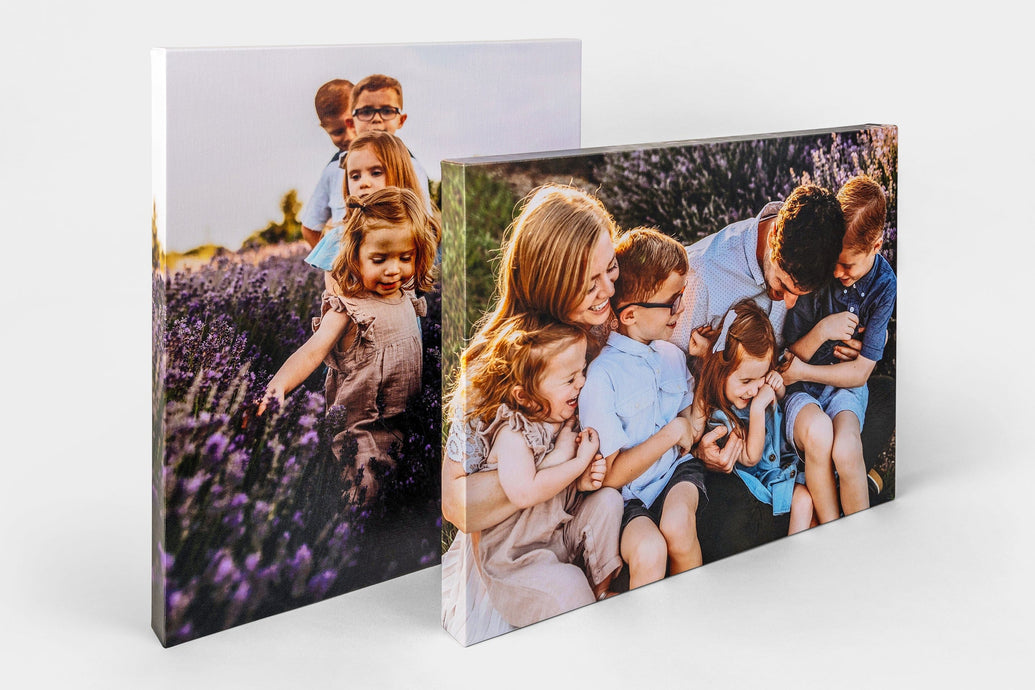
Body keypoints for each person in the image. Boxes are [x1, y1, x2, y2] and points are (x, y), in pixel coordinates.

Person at [441, 185, 623, 645]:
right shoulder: (495, 370)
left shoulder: (603, 328)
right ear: (551, 284)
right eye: (590, 282)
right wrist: (557, 467)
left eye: (612, 268)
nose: (608, 292)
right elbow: (454, 503)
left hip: (568, 522)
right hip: (514, 556)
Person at [668, 184, 846, 561]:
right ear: (774, 238)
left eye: (802, 292)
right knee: (733, 527)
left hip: (773, 428)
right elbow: (670, 378)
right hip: (718, 438)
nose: (791, 302)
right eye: (783, 286)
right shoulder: (704, 276)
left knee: (881, 400)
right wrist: (700, 447)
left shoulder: (807, 251)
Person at [260, 187, 439, 502]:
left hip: (406, 418)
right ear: (355, 256)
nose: (393, 269)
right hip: (363, 430)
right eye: (379, 259)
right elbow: (313, 350)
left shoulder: (407, 297)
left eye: (405, 257)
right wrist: (278, 386)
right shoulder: (349, 308)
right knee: (366, 492)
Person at [453, 315, 620, 629]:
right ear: (525, 396)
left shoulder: (558, 419)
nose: (581, 382)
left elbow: (558, 489)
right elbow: (526, 492)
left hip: (554, 538)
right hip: (515, 562)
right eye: (569, 379)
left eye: (581, 372)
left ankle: (600, 590)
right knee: (568, 582)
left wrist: (580, 483)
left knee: (608, 501)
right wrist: (578, 463)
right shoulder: (512, 434)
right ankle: (579, 602)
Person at [578, 228, 706, 588]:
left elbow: (689, 417)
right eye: (671, 301)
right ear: (630, 314)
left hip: (677, 473)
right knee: (649, 550)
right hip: (628, 496)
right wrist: (671, 433)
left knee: (678, 527)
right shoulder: (602, 376)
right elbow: (614, 475)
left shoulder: (670, 355)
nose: (680, 310)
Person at [781, 176, 897, 523]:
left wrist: (804, 370)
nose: (836, 271)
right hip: (801, 393)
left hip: (843, 386)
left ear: (877, 246)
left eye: (847, 265)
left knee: (847, 449)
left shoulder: (884, 286)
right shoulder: (822, 269)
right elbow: (789, 354)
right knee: (821, 434)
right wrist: (822, 331)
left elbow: (860, 372)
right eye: (835, 260)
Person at [690, 299, 814, 535]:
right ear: (721, 372)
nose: (755, 389)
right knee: (804, 500)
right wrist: (757, 408)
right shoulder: (721, 417)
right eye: (746, 381)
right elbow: (750, 457)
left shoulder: (756, 385)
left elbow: (778, 398)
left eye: (763, 376)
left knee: (811, 501)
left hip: (783, 467)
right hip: (758, 482)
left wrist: (777, 386)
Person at [304, 131, 428, 293]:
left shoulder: (412, 229)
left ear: (401, 175)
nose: (364, 183)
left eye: (376, 173)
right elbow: (336, 300)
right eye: (355, 176)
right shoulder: (340, 238)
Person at [349, 74, 432, 211]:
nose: (376, 119)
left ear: (401, 120)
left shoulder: (413, 168)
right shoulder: (335, 168)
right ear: (351, 122)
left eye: (387, 111)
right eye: (366, 111)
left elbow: (423, 221)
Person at [298, 79, 355, 249]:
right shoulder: (332, 170)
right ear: (325, 128)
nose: (349, 136)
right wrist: (334, 265)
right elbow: (309, 229)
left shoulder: (392, 156)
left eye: (352, 124)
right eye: (338, 132)